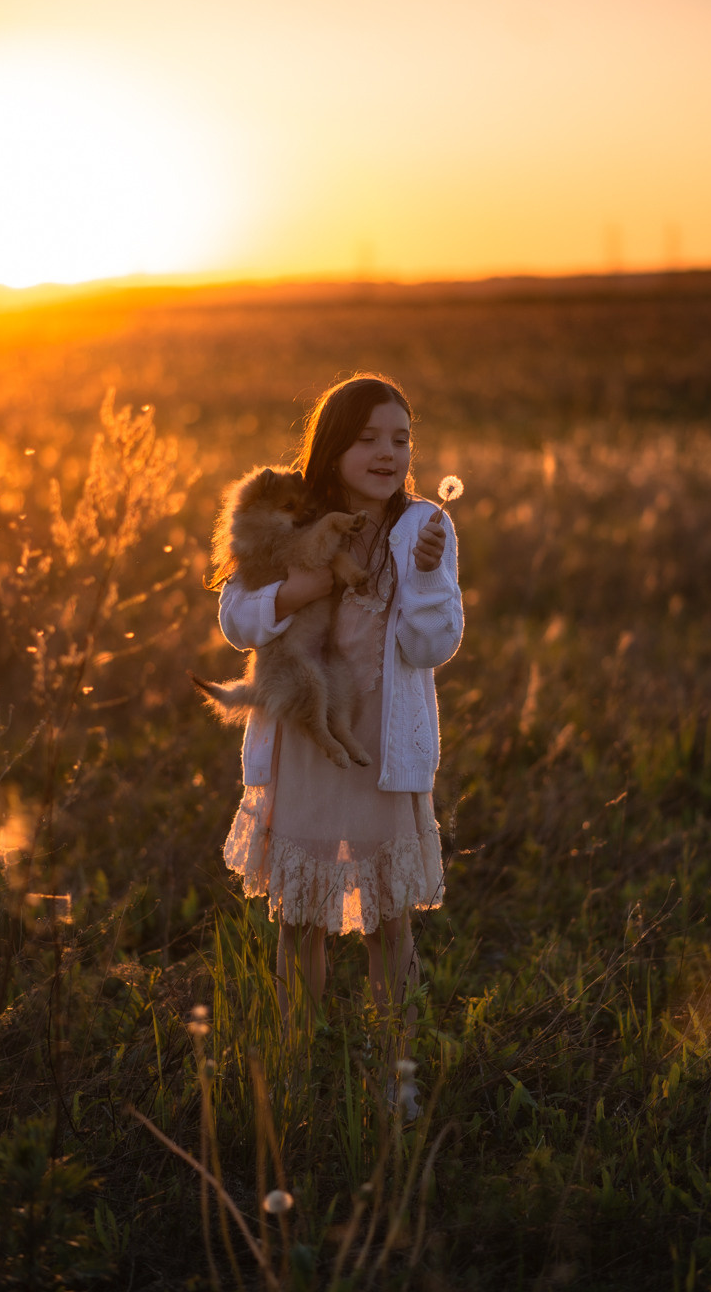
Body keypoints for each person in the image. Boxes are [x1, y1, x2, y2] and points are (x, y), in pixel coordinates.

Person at [209, 374, 463, 1096]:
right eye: (367, 438)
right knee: (300, 920)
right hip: (308, 743)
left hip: (382, 749)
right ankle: (294, 1072)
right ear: (331, 446)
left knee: (390, 920)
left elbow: (432, 645)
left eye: (400, 439)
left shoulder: (422, 528)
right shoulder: (293, 514)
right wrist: (301, 589)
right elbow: (235, 617)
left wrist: (426, 580)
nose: (387, 453)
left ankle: (395, 1077)